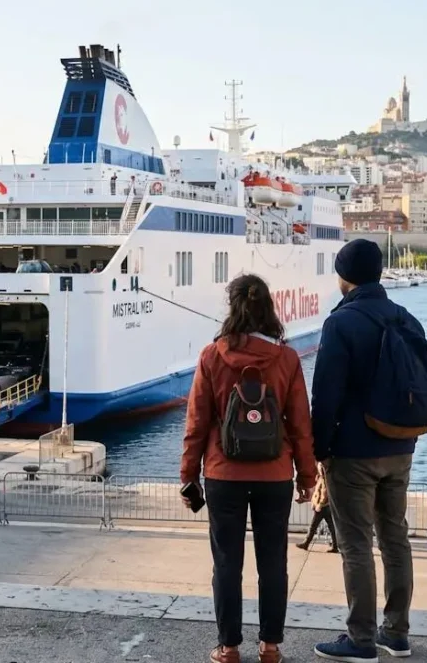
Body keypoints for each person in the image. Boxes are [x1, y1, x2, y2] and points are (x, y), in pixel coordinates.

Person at [181, 274, 317, 663]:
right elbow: (300, 424)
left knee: (226, 563)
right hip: (275, 477)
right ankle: (270, 646)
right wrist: (307, 477)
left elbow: (196, 422)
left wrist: (189, 475)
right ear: (268, 307)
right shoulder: (287, 358)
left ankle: (228, 648)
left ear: (233, 307)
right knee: (273, 562)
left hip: (224, 475)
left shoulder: (211, 355)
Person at [311, 239, 423, 663]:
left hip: (354, 452)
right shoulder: (405, 317)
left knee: (356, 543)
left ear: (345, 276)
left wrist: (319, 450)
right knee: (395, 538)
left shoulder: (341, 323)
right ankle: (396, 633)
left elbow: (325, 397)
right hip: (401, 445)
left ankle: (360, 639)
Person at [296, 465, 337, 553]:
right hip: (325, 506)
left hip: (323, 506)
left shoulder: (324, 480)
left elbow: (324, 492)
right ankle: (335, 546)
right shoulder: (322, 478)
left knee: (313, 525)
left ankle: (306, 543)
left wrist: (320, 504)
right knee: (331, 526)